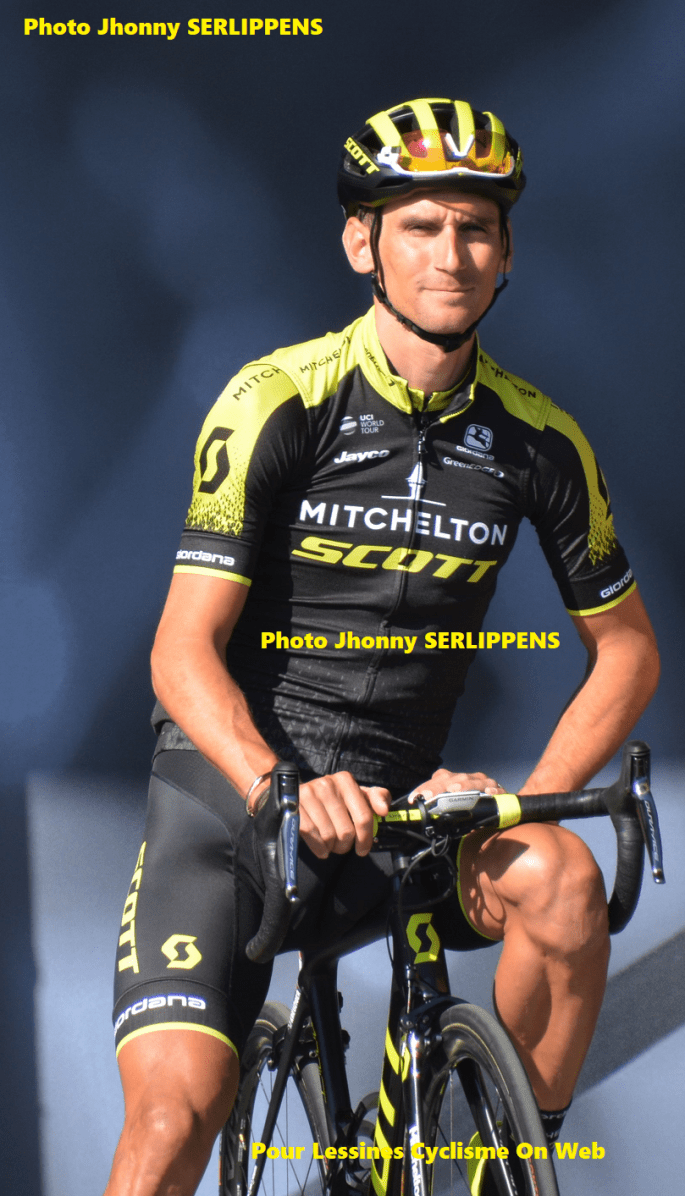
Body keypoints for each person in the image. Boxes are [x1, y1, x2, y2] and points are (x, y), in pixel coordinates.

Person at [104, 98, 659, 1196]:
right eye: (420, 226)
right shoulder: (275, 399)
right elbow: (180, 652)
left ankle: (490, 1168)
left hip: (400, 818)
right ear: (362, 243)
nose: (451, 254)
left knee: (561, 878)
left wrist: (521, 803)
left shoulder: (540, 440)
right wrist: (277, 784)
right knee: (172, 1123)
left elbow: (628, 652)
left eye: (475, 228)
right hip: (234, 811)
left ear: (506, 253)